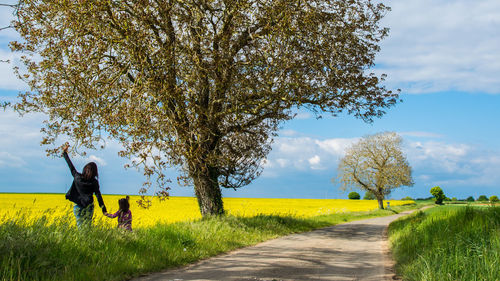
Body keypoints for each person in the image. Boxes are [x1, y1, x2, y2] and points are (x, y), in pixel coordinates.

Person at [62, 143, 107, 228]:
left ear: (85, 169)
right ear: (95, 172)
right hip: (89, 207)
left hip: (78, 206)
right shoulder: (94, 182)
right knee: (87, 228)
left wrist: (65, 153)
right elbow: (98, 195)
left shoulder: (77, 177)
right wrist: (103, 209)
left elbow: (71, 166)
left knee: (80, 228)